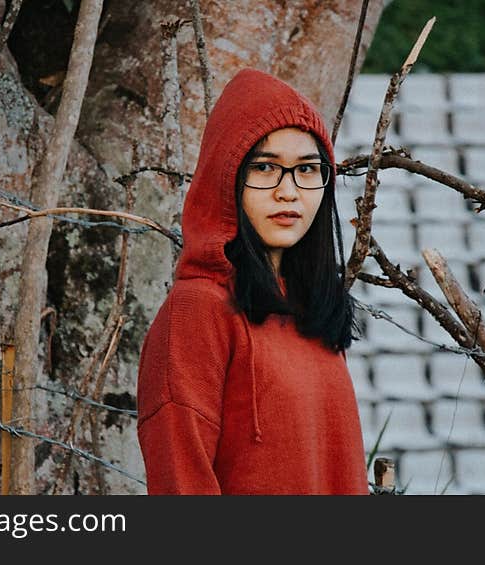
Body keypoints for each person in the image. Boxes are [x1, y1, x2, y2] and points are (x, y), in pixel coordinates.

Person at [136, 67, 367, 494]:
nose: (289, 191)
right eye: (265, 167)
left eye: (308, 169)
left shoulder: (312, 310)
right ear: (226, 178)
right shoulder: (196, 312)